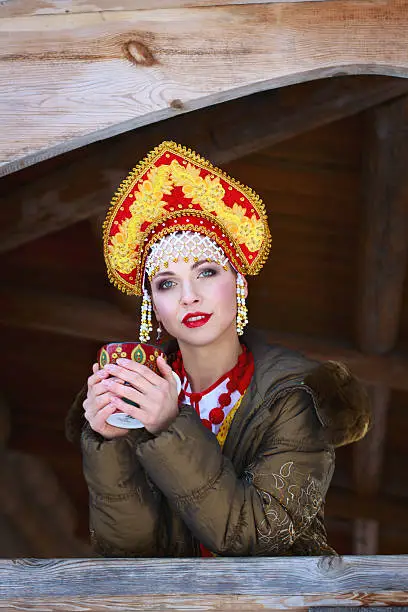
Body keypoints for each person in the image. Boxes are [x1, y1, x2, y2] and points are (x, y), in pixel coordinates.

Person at [66, 141, 370, 557]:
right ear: (152, 305)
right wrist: (110, 443)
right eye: (167, 283)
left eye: (206, 272)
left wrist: (170, 425)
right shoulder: (136, 396)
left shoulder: (298, 396)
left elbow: (258, 537)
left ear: (239, 283)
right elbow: (128, 553)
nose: (188, 297)